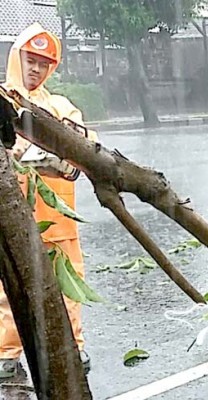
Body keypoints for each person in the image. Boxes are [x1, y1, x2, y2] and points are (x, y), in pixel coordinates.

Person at [0, 23, 98, 378]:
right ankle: (6, 353)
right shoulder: (2, 104)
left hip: (59, 223)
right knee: (8, 290)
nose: (36, 69)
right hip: (13, 223)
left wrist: (54, 158)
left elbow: (84, 147)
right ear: (17, 58)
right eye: (31, 59)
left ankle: (74, 346)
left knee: (67, 284)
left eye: (44, 63)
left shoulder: (59, 107)